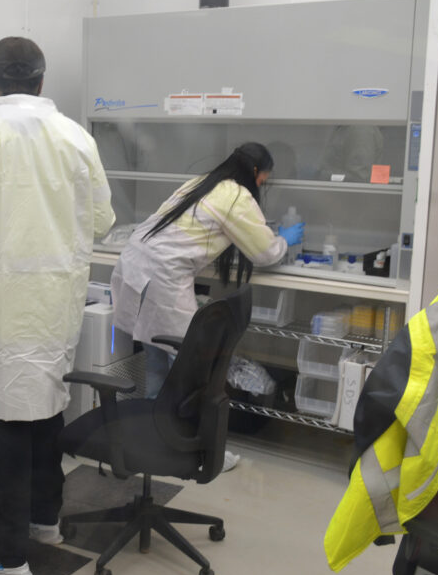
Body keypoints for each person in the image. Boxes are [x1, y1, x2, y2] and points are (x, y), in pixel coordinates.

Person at [0, 37, 115, 575]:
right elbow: (102, 223)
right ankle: (45, 521)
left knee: (2, 428)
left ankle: (3, 555)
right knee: (44, 411)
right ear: (41, 83)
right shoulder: (76, 137)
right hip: (53, 307)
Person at [109, 143, 304, 470]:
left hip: (134, 264)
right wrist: (284, 238)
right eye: (265, 180)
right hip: (163, 277)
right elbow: (266, 253)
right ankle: (198, 449)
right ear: (256, 173)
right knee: (193, 367)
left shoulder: (203, 182)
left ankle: (152, 437)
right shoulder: (238, 197)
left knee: (157, 359)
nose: (263, 186)